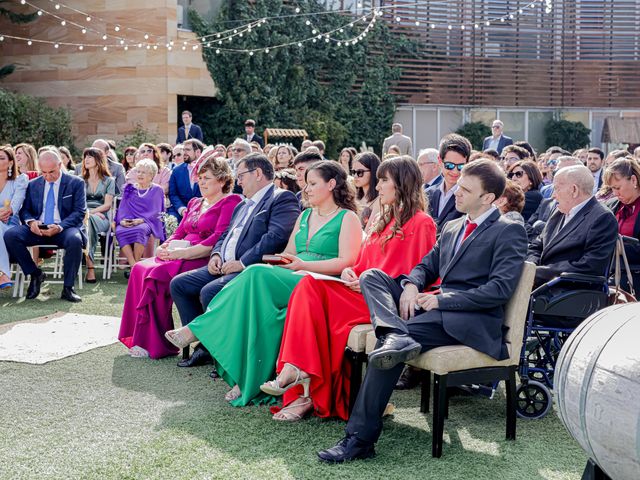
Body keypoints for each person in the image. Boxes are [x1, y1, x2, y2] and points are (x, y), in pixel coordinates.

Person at [317, 159, 528, 463]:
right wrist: (413, 285)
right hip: (434, 311)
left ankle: (359, 440)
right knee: (372, 277)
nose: (455, 191)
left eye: (465, 189)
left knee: (384, 350)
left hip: (469, 322)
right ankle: (394, 334)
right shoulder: (455, 225)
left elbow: (499, 290)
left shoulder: (509, 229)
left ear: (488, 198)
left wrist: (442, 300)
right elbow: (426, 266)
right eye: (458, 184)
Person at [165, 161, 362, 406]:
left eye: (312, 184)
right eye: (307, 184)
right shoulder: (305, 215)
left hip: (321, 283)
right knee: (257, 306)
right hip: (292, 277)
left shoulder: (348, 218)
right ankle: (246, 378)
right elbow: (288, 253)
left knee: (255, 272)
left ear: (331, 185)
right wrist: (282, 263)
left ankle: (197, 328)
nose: (307, 189)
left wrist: (303, 265)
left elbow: (347, 262)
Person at [262, 156, 437, 421]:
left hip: (384, 302)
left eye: (384, 180)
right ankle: (296, 372)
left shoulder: (422, 222)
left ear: (402, 183)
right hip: (358, 290)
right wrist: (351, 271)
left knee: (312, 293)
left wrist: (366, 277)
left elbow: (415, 274)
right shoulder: (381, 219)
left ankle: (302, 383)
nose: (377, 187)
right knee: (308, 285)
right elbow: (363, 262)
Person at [169, 153, 300, 367]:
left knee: (209, 291)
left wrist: (243, 262)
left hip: (252, 269)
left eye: (241, 175)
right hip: (224, 265)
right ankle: (202, 345)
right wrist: (216, 255)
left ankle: (218, 351)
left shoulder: (280, 198)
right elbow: (225, 235)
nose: (237, 181)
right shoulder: (242, 205)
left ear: (257, 174)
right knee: (180, 284)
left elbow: (275, 237)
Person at [119, 157, 241, 359]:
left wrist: (181, 253)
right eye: (200, 178)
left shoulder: (230, 201)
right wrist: (165, 247)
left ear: (222, 180)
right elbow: (179, 232)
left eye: (207, 178)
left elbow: (217, 238)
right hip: (179, 253)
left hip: (203, 256)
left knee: (156, 275)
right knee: (141, 268)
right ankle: (142, 339)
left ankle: (159, 345)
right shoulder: (195, 202)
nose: (201, 182)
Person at [5, 149, 87, 302]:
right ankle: (35, 274)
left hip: (64, 229)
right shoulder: (33, 184)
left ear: (60, 165)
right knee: (11, 235)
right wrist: (31, 222)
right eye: (44, 172)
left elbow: (79, 212)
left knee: (75, 240)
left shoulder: (75, 183)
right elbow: (25, 210)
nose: (48, 176)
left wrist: (60, 226)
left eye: (52, 172)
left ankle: (68, 288)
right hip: (38, 229)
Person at [527, 165, 618, 287]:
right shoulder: (559, 211)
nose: (553, 195)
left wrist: (538, 273)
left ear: (574, 190)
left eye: (557, 188)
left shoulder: (602, 218)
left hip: (567, 290)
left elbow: (590, 265)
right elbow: (537, 246)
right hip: (538, 283)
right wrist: (530, 267)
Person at [115, 159, 166, 276]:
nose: (140, 174)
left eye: (143, 172)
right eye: (138, 172)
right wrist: (122, 220)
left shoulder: (157, 189)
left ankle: (135, 265)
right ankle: (135, 266)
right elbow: (122, 207)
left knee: (141, 230)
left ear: (151, 175)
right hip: (129, 220)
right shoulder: (130, 188)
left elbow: (157, 210)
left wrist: (142, 220)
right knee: (119, 230)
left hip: (147, 222)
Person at [604, 157, 640, 289]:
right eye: (612, 188)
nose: (615, 193)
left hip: (634, 276)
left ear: (634, 180)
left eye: (618, 187)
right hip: (608, 273)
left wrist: (619, 248)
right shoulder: (611, 205)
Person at [425, 134, 471, 233]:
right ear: (440, 161)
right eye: (449, 165)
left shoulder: (471, 197)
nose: (455, 171)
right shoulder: (426, 194)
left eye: (460, 166)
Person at [82, 147, 115, 284]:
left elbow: (107, 205)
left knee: (89, 222)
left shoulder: (109, 181)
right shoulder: (79, 180)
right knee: (88, 222)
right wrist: (88, 214)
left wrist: (93, 213)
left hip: (102, 216)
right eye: (85, 157)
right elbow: (78, 203)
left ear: (98, 160)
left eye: (90, 157)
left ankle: (90, 266)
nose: (86, 160)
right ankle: (89, 265)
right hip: (83, 215)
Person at [0, 146, 28, 289]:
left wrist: (7, 211)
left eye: (1, 158)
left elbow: (13, 208)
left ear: (11, 162)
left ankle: (4, 273)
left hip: (11, 226)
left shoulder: (20, 180)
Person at [168, 139, 203, 221]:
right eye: (184, 150)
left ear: (198, 152)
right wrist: (182, 209)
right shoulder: (176, 170)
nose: (184, 152)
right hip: (181, 210)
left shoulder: (208, 169)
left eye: (187, 150)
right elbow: (173, 194)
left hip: (203, 210)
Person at [352, 152, 381, 230]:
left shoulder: (379, 199)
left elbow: (368, 231)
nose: (355, 176)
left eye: (360, 172)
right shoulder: (354, 197)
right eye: (353, 172)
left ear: (373, 172)